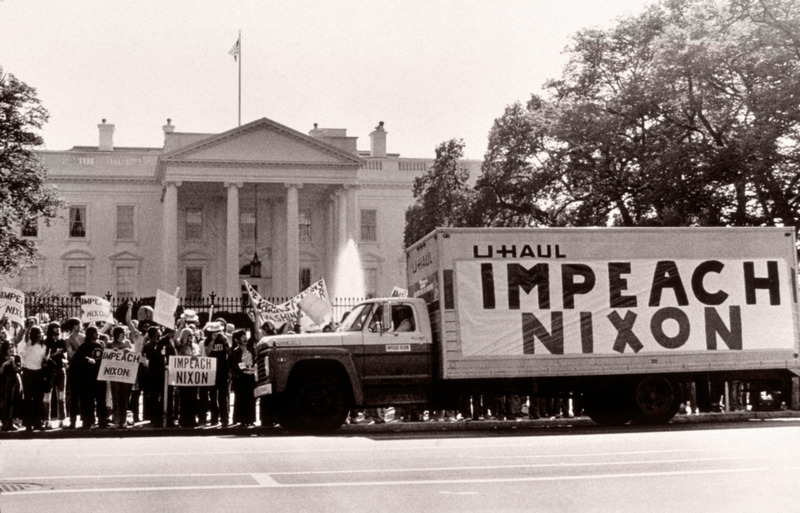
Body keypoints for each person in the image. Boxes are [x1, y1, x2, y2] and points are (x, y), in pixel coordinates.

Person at [72, 326, 108, 429]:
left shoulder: (101, 344)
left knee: (101, 400)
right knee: (87, 400)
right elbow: (76, 358)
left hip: (100, 376)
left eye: (97, 332)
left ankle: (102, 421)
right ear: (90, 334)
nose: (97, 334)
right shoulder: (84, 346)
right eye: (95, 332)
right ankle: (88, 421)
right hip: (87, 378)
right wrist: (87, 359)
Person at [144, 325, 177, 427]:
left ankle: (169, 419)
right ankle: (156, 419)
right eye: (158, 331)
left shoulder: (165, 342)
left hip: (165, 373)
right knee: (154, 397)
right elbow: (149, 353)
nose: (160, 332)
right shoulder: (148, 345)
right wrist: (155, 339)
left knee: (168, 396)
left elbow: (172, 334)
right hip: (154, 375)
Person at [18, 321, 47, 431]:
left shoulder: (44, 346)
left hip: (39, 373)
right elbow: (25, 336)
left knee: (38, 399)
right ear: (34, 334)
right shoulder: (28, 343)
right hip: (28, 373)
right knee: (28, 399)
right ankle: (28, 424)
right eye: (38, 333)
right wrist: (27, 327)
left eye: (41, 333)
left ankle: (38, 422)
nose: (40, 335)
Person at [203, 321, 231, 426]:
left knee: (223, 396)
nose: (217, 333)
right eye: (214, 331)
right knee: (213, 395)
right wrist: (212, 340)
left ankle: (224, 417)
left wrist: (226, 342)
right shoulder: (207, 340)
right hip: (212, 371)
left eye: (218, 331)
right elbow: (208, 352)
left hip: (222, 370)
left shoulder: (223, 339)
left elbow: (229, 352)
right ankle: (214, 417)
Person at [107, 326, 133, 428]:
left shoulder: (126, 343)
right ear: (117, 334)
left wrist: (128, 351)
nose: (124, 335)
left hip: (124, 373)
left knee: (124, 397)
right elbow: (106, 356)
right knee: (116, 397)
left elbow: (133, 356)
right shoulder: (110, 344)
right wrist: (113, 352)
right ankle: (116, 420)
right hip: (114, 373)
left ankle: (123, 420)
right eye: (122, 333)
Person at [42, 321, 67, 429]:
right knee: (47, 396)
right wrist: (55, 353)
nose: (58, 330)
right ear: (51, 329)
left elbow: (65, 354)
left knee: (62, 396)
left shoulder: (62, 341)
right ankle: (47, 420)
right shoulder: (46, 341)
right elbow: (44, 358)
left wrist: (65, 359)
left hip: (61, 369)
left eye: (59, 328)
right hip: (49, 370)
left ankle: (62, 420)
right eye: (55, 328)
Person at [230, 329, 256, 426]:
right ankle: (241, 420)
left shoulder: (250, 348)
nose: (245, 338)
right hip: (241, 378)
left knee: (251, 399)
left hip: (250, 376)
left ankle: (251, 419)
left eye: (245, 336)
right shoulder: (235, 351)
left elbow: (254, 336)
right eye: (242, 337)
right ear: (237, 340)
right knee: (241, 399)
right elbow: (234, 365)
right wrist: (242, 369)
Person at [62, 317, 84, 429]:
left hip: (84, 369)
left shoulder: (84, 337)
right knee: (74, 396)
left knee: (85, 395)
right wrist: (82, 354)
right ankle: (73, 421)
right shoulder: (68, 339)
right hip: (75, 369)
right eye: (77, 325)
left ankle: (85, 421)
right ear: (72, 326)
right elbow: (70, 354)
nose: (79, 327)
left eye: (80, 324)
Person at [0, 323, 22, 431]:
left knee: (14, 401)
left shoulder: (17, 357)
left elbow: (18, 370)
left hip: (15, 380)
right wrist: (4, 364)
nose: (10, 349)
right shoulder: (1, 358)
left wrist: (13, 363)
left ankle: (12, 422)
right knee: (5, 402)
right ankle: (5, 422)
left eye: (12, 347)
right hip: (4, 381)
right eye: (8, 348)